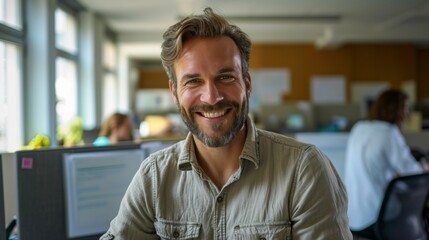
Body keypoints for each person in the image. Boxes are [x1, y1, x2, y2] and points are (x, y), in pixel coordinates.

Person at [100, 8, 352, 239]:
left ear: (247, 84)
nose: (212, 97)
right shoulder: (154, 177)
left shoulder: (303, 170)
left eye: (225, 76)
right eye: (193, 81)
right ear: (175, 92)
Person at [344, 88, 429, 238]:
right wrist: (423, 167)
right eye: (405, 108)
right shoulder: (388, 132)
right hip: (375, 217)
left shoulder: (359, 128)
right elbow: (411, 171)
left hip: (352, 217)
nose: (407, 113)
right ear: (396, 110)